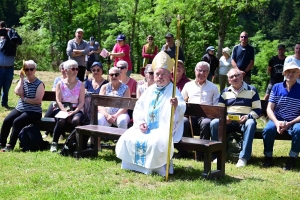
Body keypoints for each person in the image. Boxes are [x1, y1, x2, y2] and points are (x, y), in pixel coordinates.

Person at [115, 51, 186, 176]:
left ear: (170, 74)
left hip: (162, 128)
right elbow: (139, 108)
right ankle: (133, 165)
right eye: (157, 74)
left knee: (155, 142)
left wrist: (176, 105)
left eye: (163, 74)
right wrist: (141, 122)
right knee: (128, 138)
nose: (159, 77)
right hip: (146, 126)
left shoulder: (173, 89)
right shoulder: (150, 89)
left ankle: (157, 168)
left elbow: (181, 106)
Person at [210, 68, 261, 167]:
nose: (234, 78)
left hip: (245, 121)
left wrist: (248, 117)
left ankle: (243, 158)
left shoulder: (252, 90)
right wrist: (225, 118)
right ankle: (218, 155)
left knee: (251, 123)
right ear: (228, 80)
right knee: (214, 123)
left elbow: (257, 110)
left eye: (236, 75)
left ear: (241, 76)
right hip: (229, 121)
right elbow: (220, 109)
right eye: (231, 77)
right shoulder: (224, 92)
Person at [262, 61, 300, 170]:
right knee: (268, 130)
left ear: (298, 74)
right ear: (283, 73)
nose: (290, 74)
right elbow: (269, 108)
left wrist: (289, 124)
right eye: (288, 71)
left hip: (295, 121)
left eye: (293, 72)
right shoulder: (276, 87)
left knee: (299, 130)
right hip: (277, 119)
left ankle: (292, 158)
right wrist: (276, 122)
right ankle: (268, 157)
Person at [0, 60, 44, 152]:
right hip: (20, 108)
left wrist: (24, 99)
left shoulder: (39, 84)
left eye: (31, 69)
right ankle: (1, 143)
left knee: (17, 122)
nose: (29, 72)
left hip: (34, 111)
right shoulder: (23, 81)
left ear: (35, 70)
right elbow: (17, 92)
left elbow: (37, 100)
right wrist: (21, 78)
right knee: (7, 120)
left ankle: (10, 145)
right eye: (26, 69)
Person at [178, 61, 219, 158]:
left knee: (206, 123)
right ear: (195, 71)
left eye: (205, 71)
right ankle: (185, 150)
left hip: (206, 116)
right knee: (182, 121)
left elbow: (216, 105)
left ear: (208, 73)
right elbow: (181, 100)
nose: (202, 73)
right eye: (200, 70)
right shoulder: (188, 85)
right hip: (191, 116)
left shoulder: (213, 87)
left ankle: (201, 152)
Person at [50, 60, 85, 152]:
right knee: (61, 120)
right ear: (66, 70)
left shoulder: (80, 84)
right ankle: (54, 143)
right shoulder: (60, 84)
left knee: (76, 120)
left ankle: (71, 143)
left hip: (75, 108)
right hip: (62, 108)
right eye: (73, 69)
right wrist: (64, 111)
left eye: (77, 69)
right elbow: (58, 100)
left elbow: (81, 102)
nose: (75, 71)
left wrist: (74, 111)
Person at [0, 21, 22, 109]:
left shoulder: (12, 41)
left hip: (9, 68)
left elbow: (19, 41)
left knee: (6, 87)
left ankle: (4, 103)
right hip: (0, 68)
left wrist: (11, 31)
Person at [43, 62, 67, 138]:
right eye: (62, 68)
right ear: (60, 69)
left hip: (67, 104)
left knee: (59, 116)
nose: (64, 70)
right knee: (47, 116)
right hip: (56, 102)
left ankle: (60, 134)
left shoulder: (74, 79)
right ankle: (48, 132)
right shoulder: (57, 79)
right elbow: (54, 91)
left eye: (66, 68)